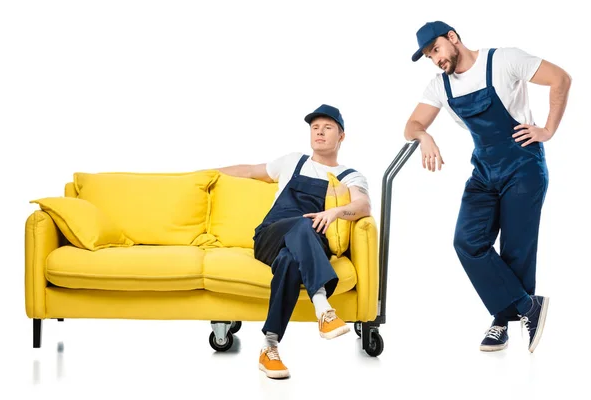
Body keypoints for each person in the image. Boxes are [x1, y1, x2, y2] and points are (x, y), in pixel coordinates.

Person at [405, 21, 571, 353]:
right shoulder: (440, 86)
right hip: (484, 170)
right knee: (467, 242)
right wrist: (424, 136)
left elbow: (560, 78)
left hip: (523, 164)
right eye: (428, 55)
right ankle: (527, 307)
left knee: (515, 249)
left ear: (453, 38)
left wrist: (548, 129)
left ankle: (500, 321)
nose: (435, 59)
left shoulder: (504, 60)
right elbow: (412, 124)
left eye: (435, 49)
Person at [217, 104, 371, 378]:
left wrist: (335, 211)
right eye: (314, 128)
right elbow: (252, 171)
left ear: (341, 136)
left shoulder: (349, 176)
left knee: (290, 259)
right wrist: (206, 174)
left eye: (327, 128)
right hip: (271, 235)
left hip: (310, 243)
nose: (319, 132)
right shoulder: (293, 161)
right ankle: (323, 307)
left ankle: (269, 346)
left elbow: (363, 206)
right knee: (302, 222)